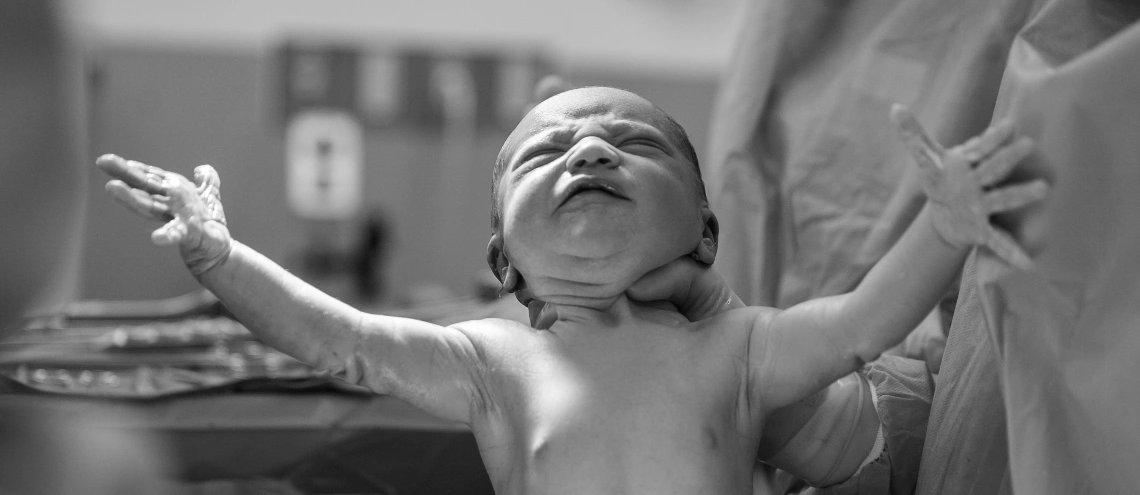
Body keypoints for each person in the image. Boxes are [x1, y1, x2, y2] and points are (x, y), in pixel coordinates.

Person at [97, 86, 1044, 495]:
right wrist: (222, 257)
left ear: (705, 234)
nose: (590, 146)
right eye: (547, 152)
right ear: (505, 258)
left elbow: (860, 325)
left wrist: (947, 223)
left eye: (633, 143)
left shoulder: (740, 345)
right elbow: (341, 340)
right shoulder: (494, 358)